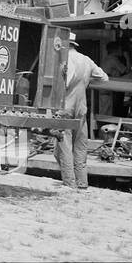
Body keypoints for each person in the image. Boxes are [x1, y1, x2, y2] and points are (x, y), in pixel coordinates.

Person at [54, 39, 109, 189]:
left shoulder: (63, 59)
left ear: (65, 45)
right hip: (81, 109)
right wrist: (86, 80)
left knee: (63, 147)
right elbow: (104, 78)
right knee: (80, 146)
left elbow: (63, 83)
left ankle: (69, 182)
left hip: (64, 108)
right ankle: (82, 182)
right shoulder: (86, 60)